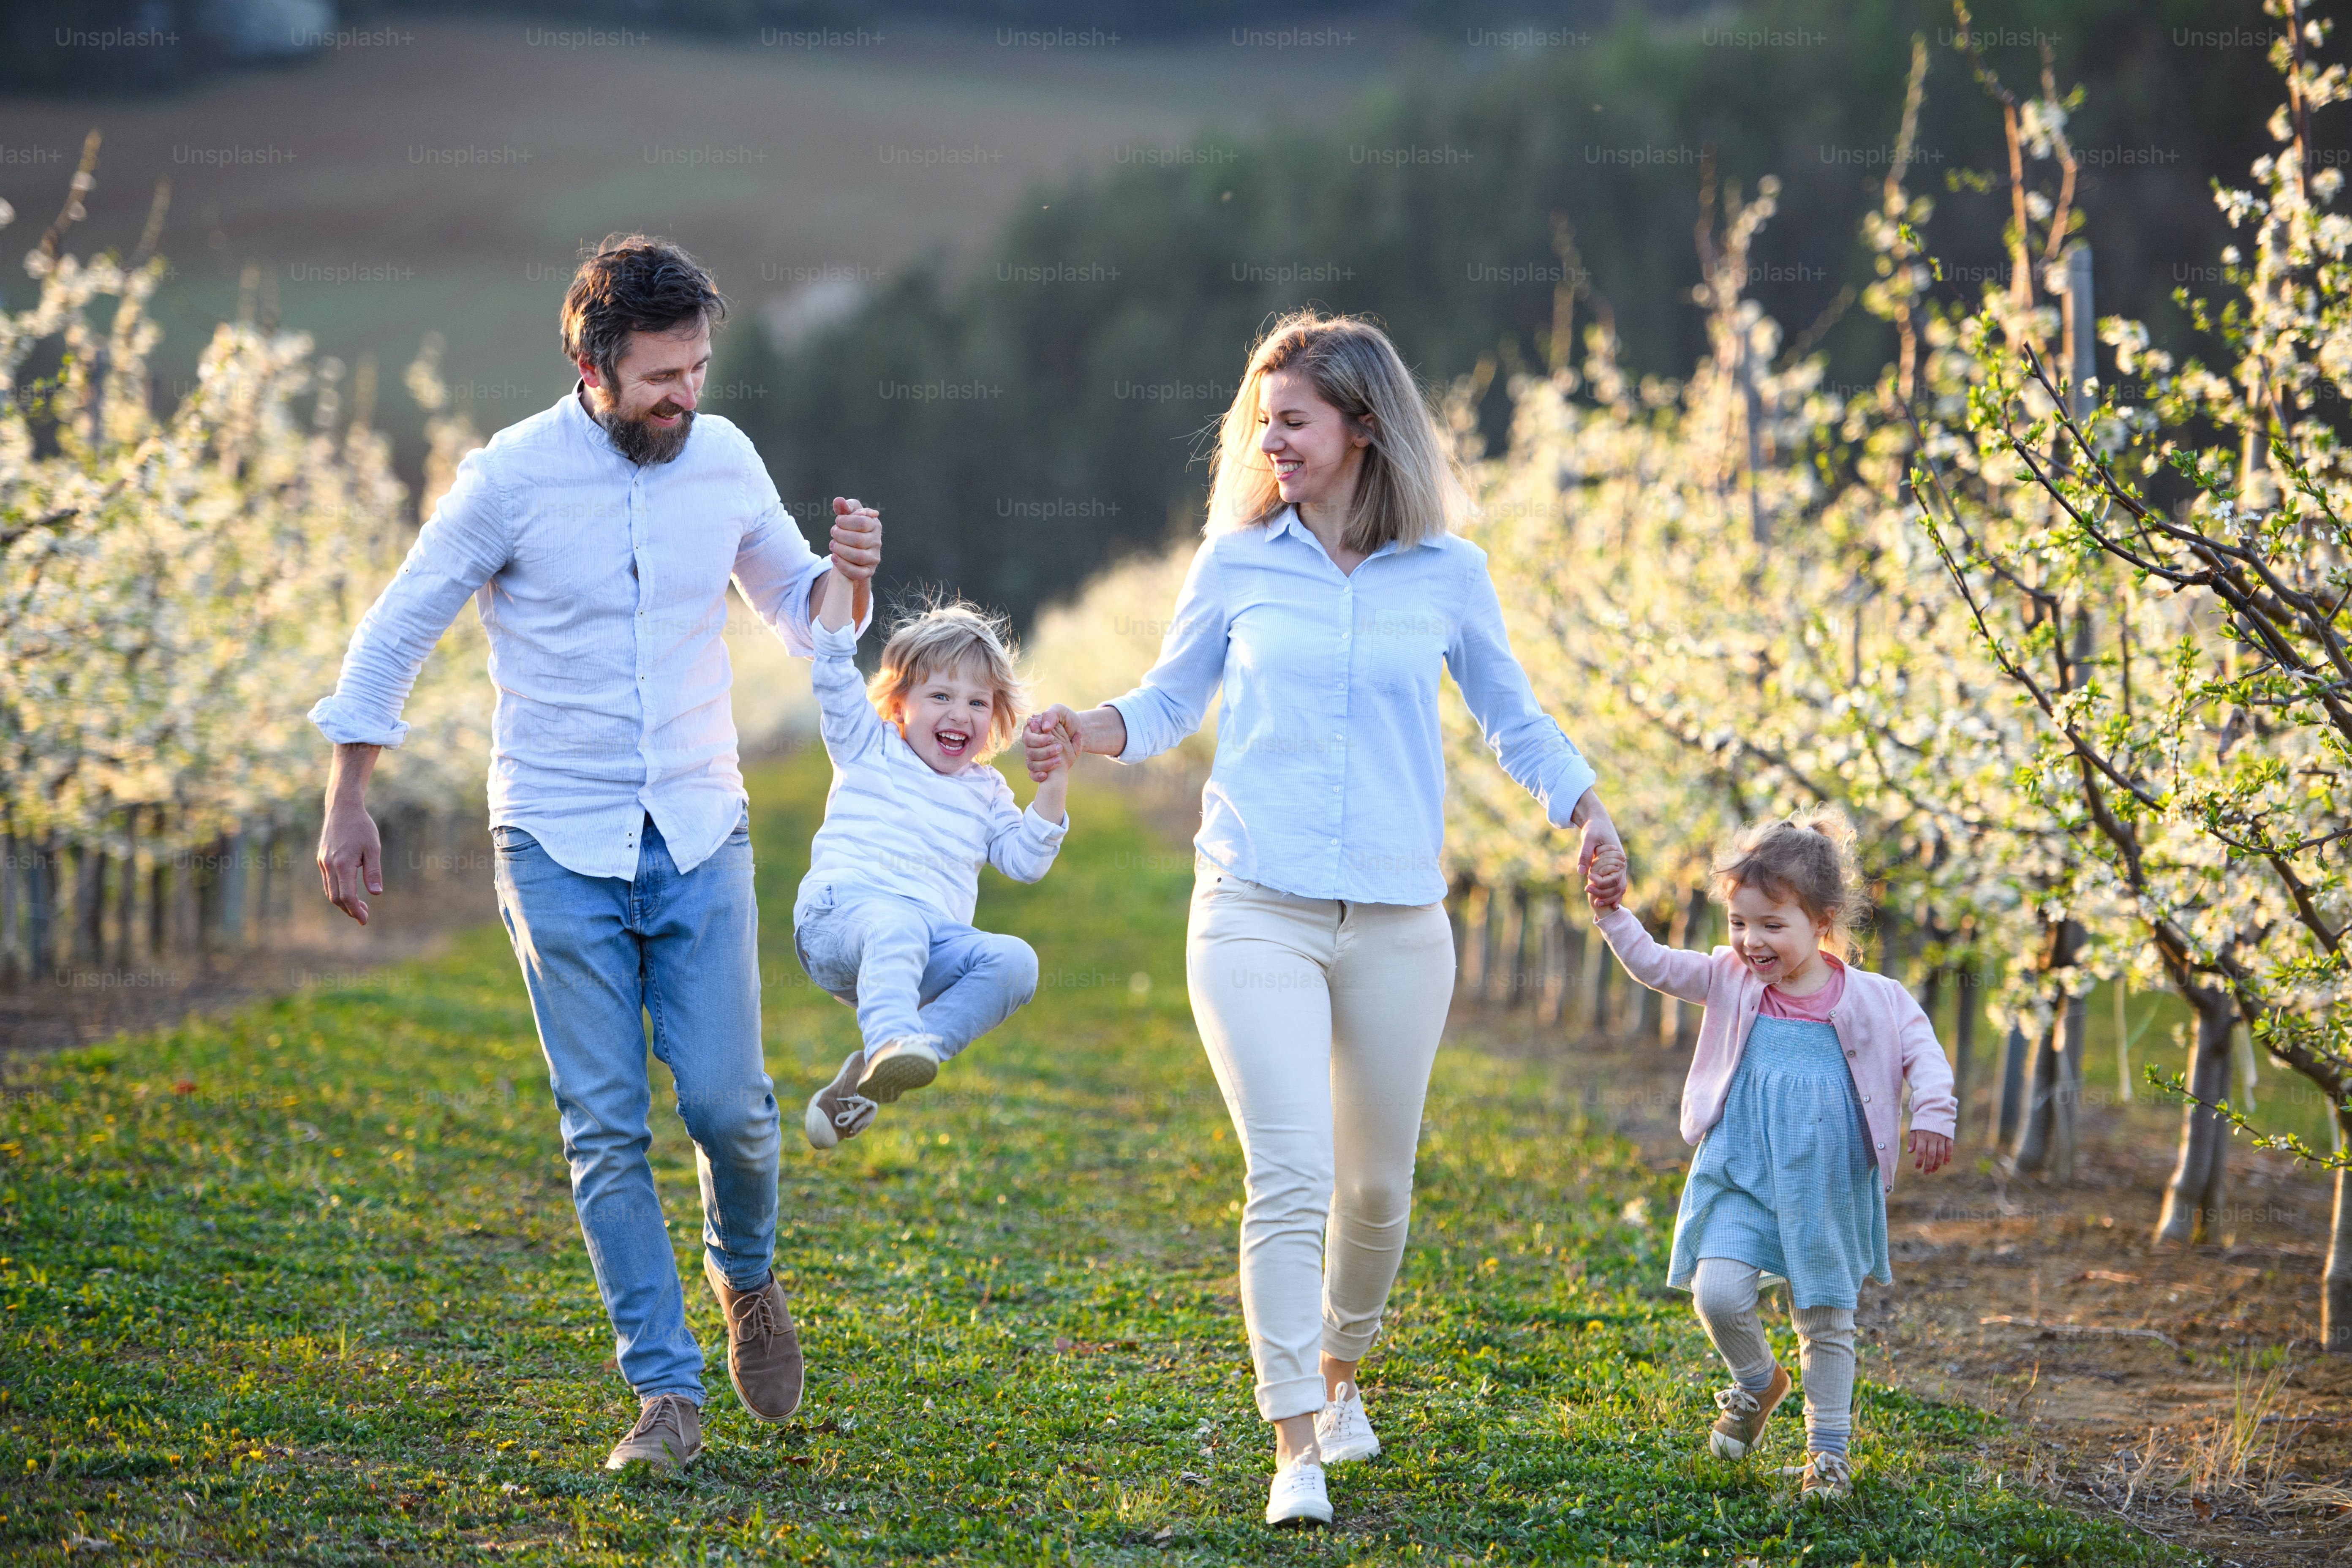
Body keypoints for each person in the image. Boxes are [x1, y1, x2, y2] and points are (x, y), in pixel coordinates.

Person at [1023, 311, 1624, 1528]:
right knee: (1289, 1173)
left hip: (1402, 921)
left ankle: (1342, 1378)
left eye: (1291, 418)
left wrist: (1588, 810)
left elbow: (1511, 714)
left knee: (1377, 1196)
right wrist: (1090, 728)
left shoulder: (1447, 574)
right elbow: (1172, 696)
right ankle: (1294, 1441)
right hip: (1254, 905)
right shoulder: (1237, 560)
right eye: (1262, 420)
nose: (1269, 439)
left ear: (1361, 423)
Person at [311, 234, 881, 1474]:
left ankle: (746, 1276)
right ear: (592, 363)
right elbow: (402, 620)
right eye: (663, 376)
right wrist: (349, 791)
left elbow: (801, 619)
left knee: (732, 1110)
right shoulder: (509, 479)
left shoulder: (724, 458)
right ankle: (665, 1395)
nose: (687, 395)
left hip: (697, 821)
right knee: (605, 1123)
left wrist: (844, 583)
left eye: (700, 370)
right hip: (555, 836)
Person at [1584, 811, 1956, 1503]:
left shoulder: (1878, 999)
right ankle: (1759, 1383)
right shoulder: (1731, 978)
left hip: (1827, 1179)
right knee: (1717, 1293)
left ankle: (1829, 1455)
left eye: (1771, 925)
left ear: (1823, 922)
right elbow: (1659, 966)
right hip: (1742, 1169)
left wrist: (1933, 1113)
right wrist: (1613, 916)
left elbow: (1924, 1056)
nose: (1751, 942)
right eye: (1738, 923)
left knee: (1824, 1316)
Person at [794, 583, 1070, 1148]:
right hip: (839, 921)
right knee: (898, 921)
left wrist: (1054, 784)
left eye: (977, 703)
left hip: (921, 953)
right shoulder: (868, 744)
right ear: (900, 704)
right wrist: (845, 579)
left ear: (995, 719)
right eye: (941, 696)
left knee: (1016, 962)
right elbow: (832, 664)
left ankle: (884, 1071)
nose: (959, 714)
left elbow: (1025, 862)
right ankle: (892, 1042)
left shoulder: (987, 791)